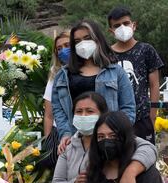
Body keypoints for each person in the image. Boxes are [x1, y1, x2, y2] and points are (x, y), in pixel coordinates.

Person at [51, 19, 136, 155]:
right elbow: (58, 110)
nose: (83, 44)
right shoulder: (62, 76)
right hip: (76, 142)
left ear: (97, 39)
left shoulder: (116, 72)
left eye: (87, 38)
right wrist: (65, 133)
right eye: (77, 41)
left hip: (109, 142)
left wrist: (114, 132)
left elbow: (128, 108)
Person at [108, 6, 164, 144]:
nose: (122, 27)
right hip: (114, 120)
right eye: (117, 25)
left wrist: (152, 116)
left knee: (145, 159)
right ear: (111, 31)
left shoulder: (146, 50)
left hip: (142, 118)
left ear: (134, 25)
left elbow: (154, 84)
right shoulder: (106, 54)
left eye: (126, 23)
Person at [43, 30, 70, 169]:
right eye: (59, 49)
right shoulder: (55, 75)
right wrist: (48, 142)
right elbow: (48, 114)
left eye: (67, 45)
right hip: (59, 135)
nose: (63, 51)